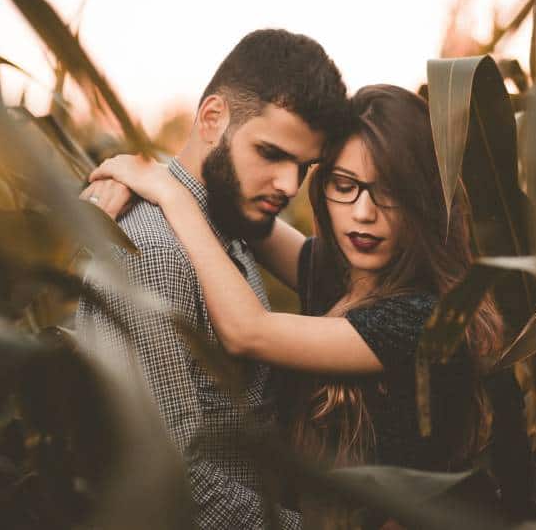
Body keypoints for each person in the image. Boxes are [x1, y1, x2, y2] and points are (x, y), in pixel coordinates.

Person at [86, 86, 512, 483]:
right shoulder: (344, 274)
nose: (363, 212)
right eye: (344, 186)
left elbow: (247, 331)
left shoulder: (420, 319)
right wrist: (146, 176)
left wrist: (168, 193)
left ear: (424, 199)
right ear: (323, 187)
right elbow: (242, 211)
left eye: (389, 192)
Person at [76, 29, 349, 529]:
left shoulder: (228, 222)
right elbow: (173, 482)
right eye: (271, 153)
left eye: (304, 166)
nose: (289, 185)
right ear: (211, 119)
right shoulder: (156, 252)